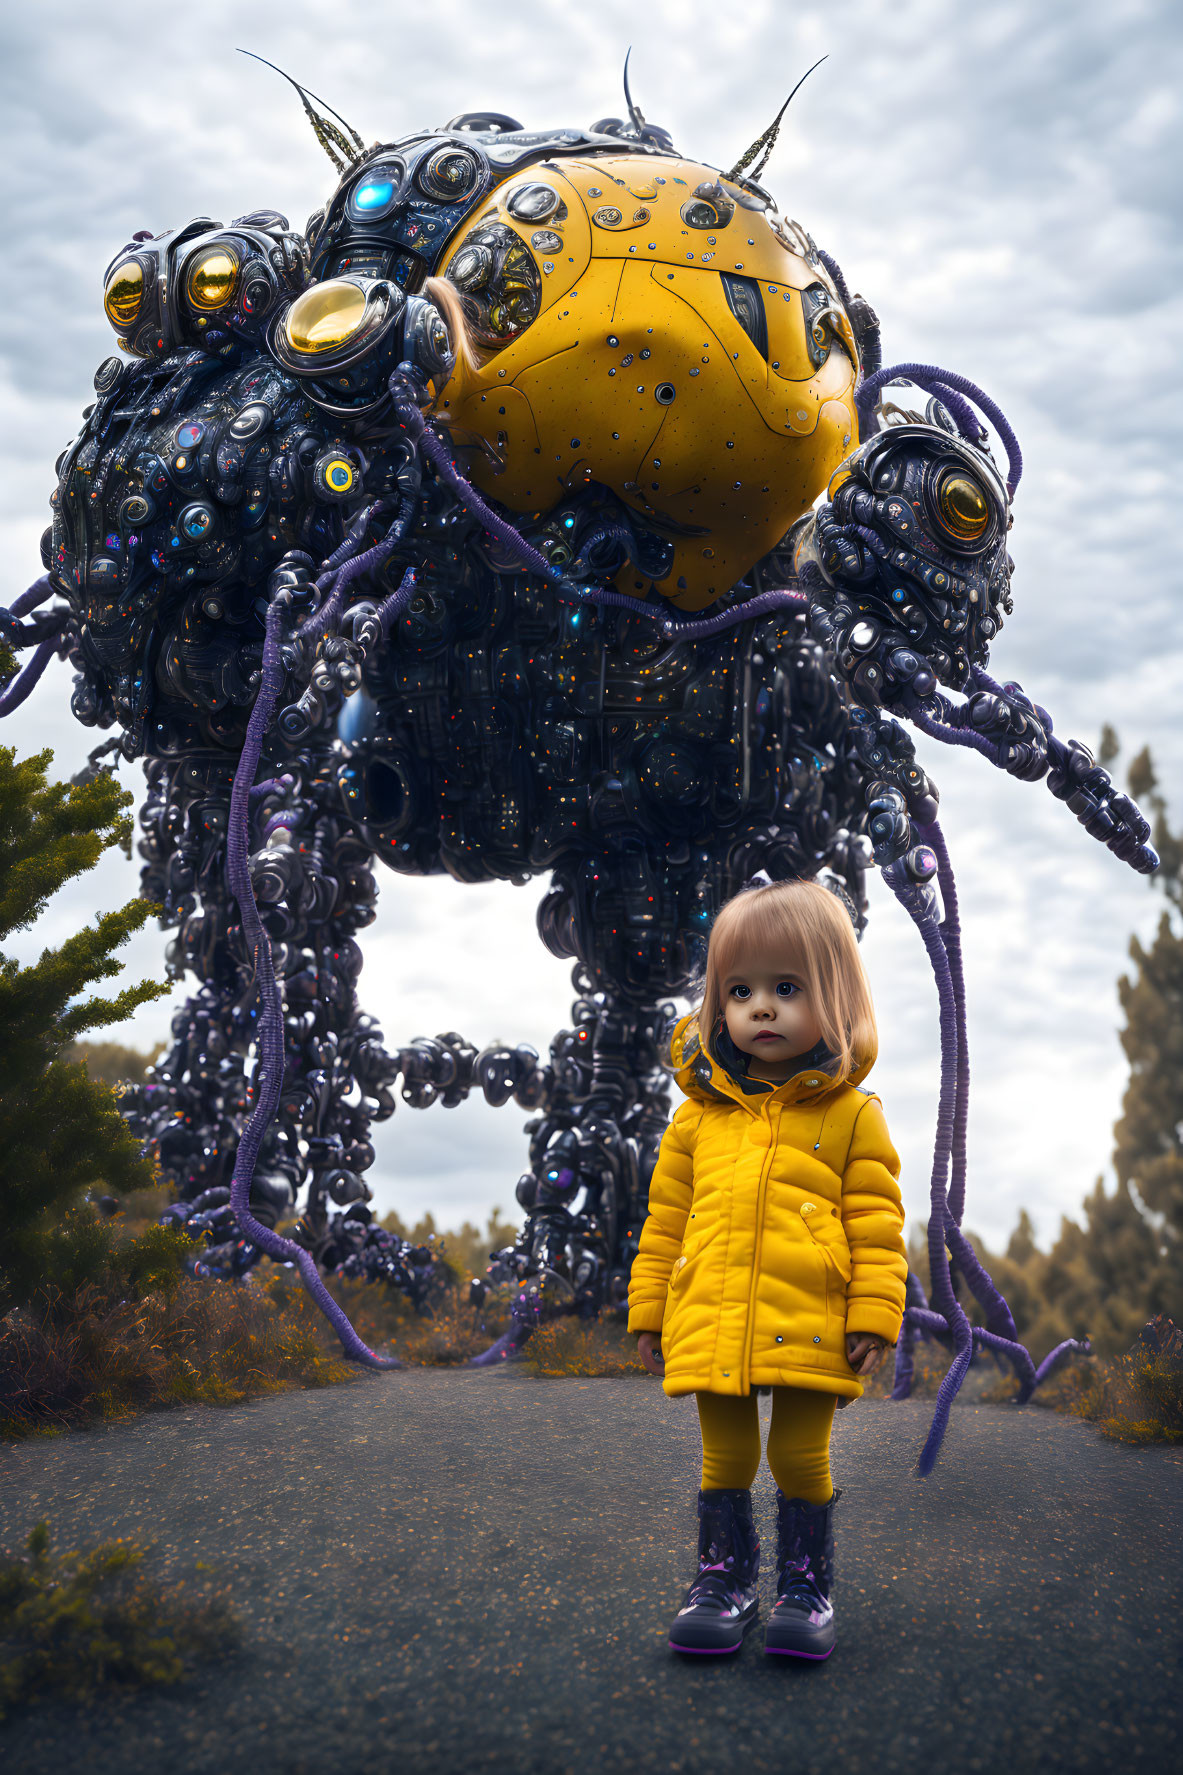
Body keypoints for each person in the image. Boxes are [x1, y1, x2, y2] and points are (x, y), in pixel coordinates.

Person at [628, 877, 907, 1659]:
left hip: (812, 1314)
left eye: (786, 988)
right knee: (726, 1454)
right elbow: (665, 1220)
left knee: (794, 1453)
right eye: (740, 990)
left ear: (836, 995)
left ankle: (804, 1584)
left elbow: (876, 1223)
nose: (760, 1007)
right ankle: (721, 1579)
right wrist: (649, 1307)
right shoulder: (696, 1120)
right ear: (717, 1004)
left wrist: (873, 1313)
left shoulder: (852, 1114)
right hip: (710, 1310)